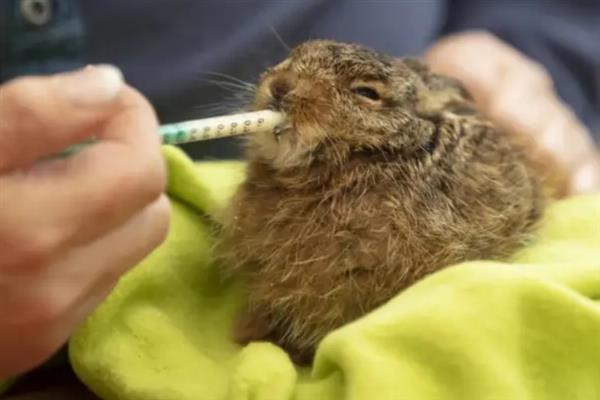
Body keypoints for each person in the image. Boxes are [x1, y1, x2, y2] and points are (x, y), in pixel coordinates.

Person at [0, 0, 598, 380]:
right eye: (289, 69)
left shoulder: (416, 217)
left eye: (363, 95)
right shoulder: (262, 187)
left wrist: (518, 47)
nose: (282, 87)